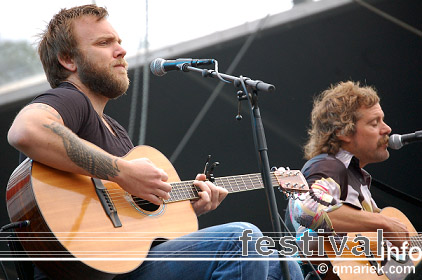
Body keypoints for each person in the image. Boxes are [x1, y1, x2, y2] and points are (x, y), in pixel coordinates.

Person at [7, 4, 303, 280]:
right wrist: (122, 172)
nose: (121, 51)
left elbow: (134, 223)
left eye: (119, 41)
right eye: (104, 43)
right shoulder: (70, 99)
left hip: (124, 264)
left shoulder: (115, 131)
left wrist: (185, 209)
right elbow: (26, 131)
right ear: (68, 59)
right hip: (88, 270)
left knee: (283, 264)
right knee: (241, 239)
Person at [285, 81, 419, 278]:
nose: (387, 129)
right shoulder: (327, 165)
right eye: (375, 123)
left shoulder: (356, 178)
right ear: (343, 132)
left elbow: (386, 270)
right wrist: (385, 223)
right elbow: (305, 208)